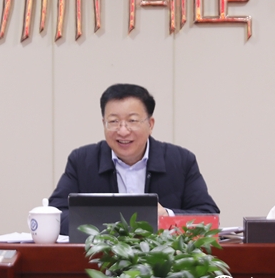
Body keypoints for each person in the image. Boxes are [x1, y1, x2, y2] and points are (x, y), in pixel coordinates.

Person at [49, 83, 220, 235]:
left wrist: (166, 216)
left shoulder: (180, 161)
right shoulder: (83, 161)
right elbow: (54, 216)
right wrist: (109, 220)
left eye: (132, 120)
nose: (123, 131)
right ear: (104, 124)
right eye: (113, 121)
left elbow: (209, 218)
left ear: (150, 124)